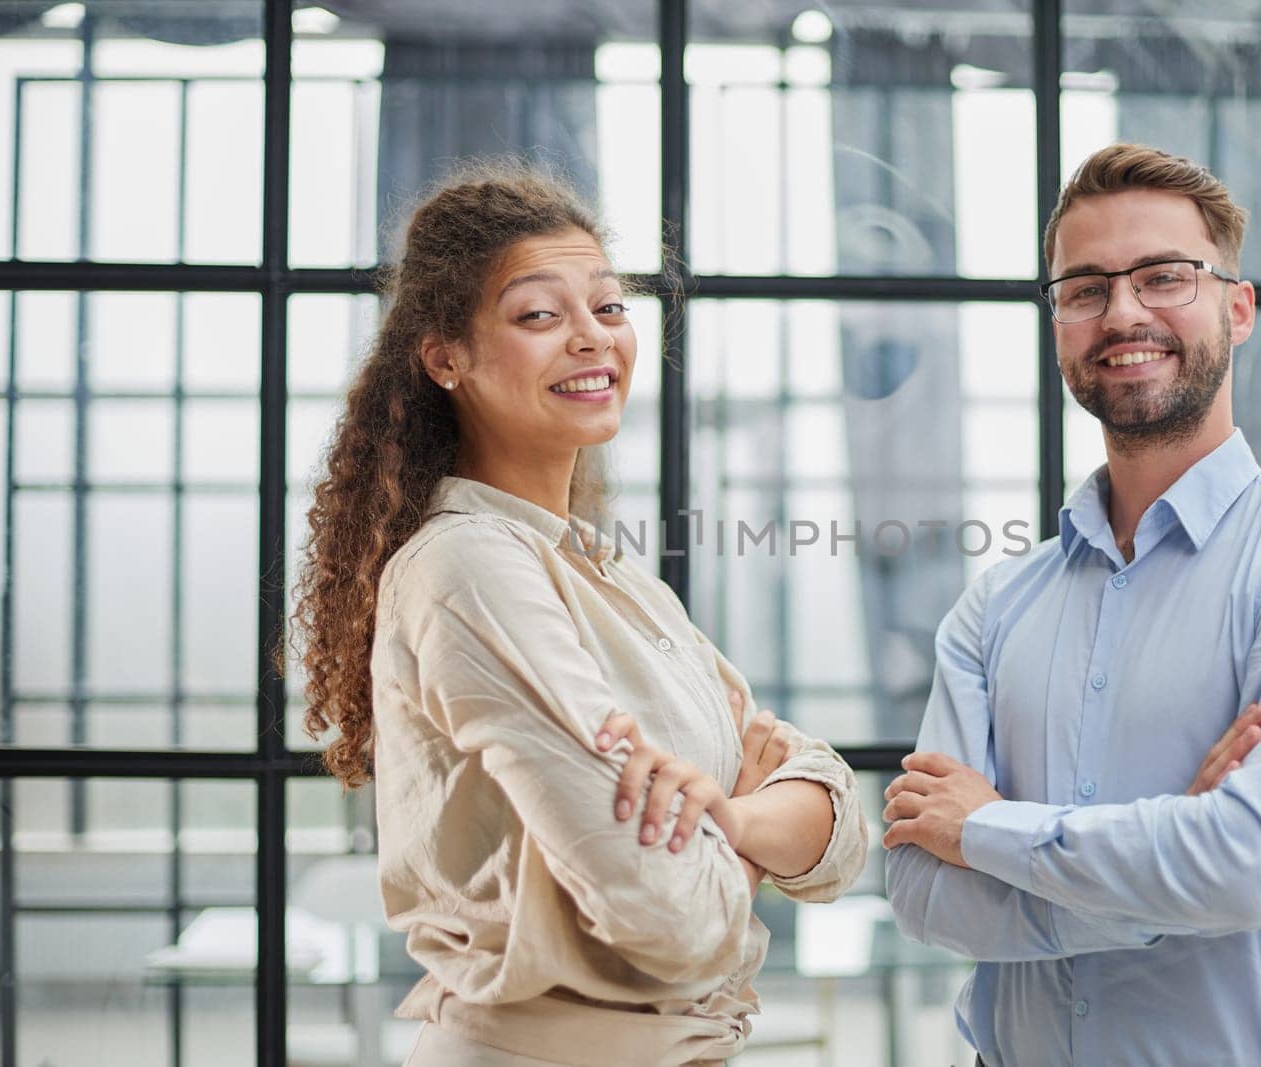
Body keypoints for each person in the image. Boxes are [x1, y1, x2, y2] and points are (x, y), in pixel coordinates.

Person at [289, 160, 867, 1067]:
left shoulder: (610, 574)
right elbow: (666, 915)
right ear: (445, 355)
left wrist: (727, 823)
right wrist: (754, 828)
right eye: (538, 315)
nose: (592, 339)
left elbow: (841, 825)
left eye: (608, 307)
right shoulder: (471, 566)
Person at [881, 142, 1261, 1066]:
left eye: (1164, 276)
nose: (1122, 312)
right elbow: (923, 889)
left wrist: (988, 828)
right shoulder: (997, 605)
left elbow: (1257, 862)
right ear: (1057, 323)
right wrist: (1167, 878)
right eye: (1084, 288)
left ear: (1237, 309)